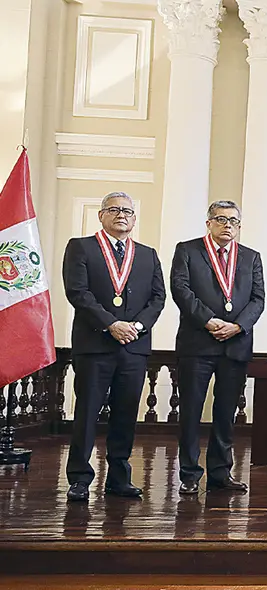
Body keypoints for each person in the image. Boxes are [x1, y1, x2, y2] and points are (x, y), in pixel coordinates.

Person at [61, 192, 165, 501]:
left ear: (134, 219)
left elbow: (158, 298)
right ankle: (80, 478)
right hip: (95, 345)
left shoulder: (147, 254)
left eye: (128, 212)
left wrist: (137, 327)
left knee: (125, 414)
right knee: (87, 413)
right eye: (115, 210)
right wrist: (111, 324)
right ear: (101, 215)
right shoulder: (81, 247)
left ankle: (119, 478)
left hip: (133, 347)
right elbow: (78, 292)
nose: (122, 215)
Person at [170, 200, 264, 495]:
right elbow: (181, 290)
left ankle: (221, 473)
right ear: (208, 223)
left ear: (239, 226)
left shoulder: (251, 257)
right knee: (191, 412)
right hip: (197, 343)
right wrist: (209, 321)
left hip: (235, 345)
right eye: (221, 219)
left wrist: (237, 326)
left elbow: (258, 299)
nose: (227, 225)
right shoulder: (188, 250)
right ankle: (189, 474)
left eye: (233, 221)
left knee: (226, 413)